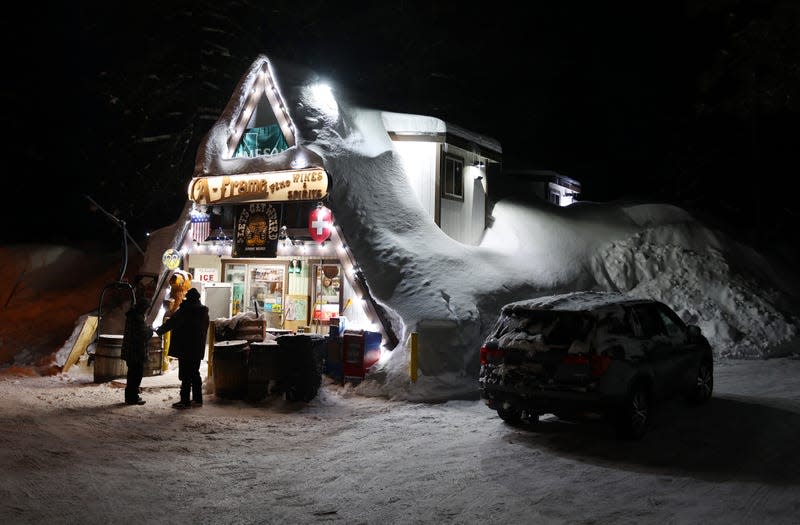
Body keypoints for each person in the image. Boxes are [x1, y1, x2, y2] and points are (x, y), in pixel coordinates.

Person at [156, 288, 210, 409]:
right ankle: (197, 399)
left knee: (185, 375)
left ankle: (184, 400)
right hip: (197, 348)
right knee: (195, 373)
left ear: (189, 298)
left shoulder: (185, 310)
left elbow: (172, 322)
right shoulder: (203, 312)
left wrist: (159, 331)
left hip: (185, 347)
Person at [121, 298, 154, 405]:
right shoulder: (138, 319)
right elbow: (143, 335)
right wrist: (150, 330)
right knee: (136, 376)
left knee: (132, 375)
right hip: (136, 352)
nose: (146, 311)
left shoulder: (131, 317)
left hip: (130, 351)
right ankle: (132, 397)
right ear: (142, 308)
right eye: (145, 309)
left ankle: (130, 396)